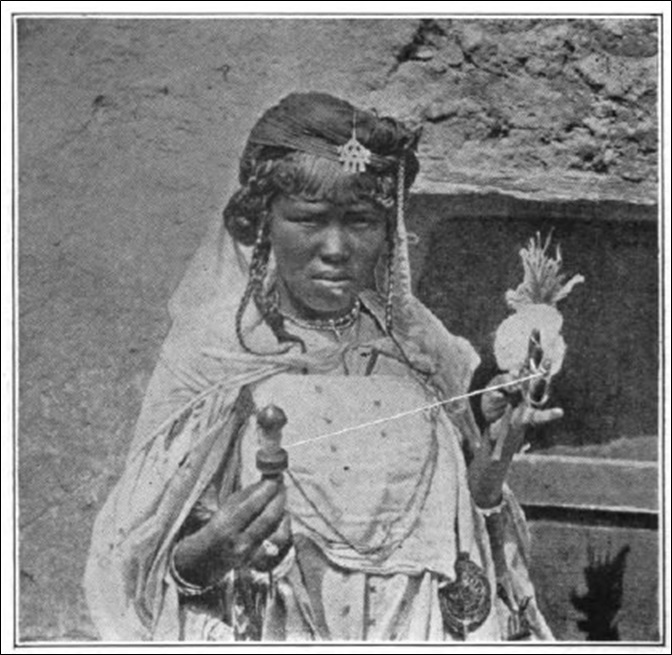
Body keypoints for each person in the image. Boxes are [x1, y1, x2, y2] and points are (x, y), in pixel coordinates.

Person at [84, 92, 560, 642]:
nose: (336, 248)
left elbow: (469, 534)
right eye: (309, 219)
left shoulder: (424, 351)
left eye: (361, 221)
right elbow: (137, 559)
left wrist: (494, 457)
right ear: (264, 223)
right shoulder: (214, 355)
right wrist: (203, 557)